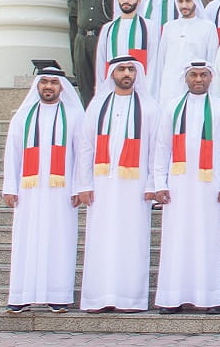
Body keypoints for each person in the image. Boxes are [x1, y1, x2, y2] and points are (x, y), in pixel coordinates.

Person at [2, 66, 91, 314]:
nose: (49, 86)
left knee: (60, 240)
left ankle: (58, 295)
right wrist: (10, 187)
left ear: (61, 86)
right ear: (38, 86)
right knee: (25, 241)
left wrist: (80, 186)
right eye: (44, 82)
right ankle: (21, 295)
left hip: (62, 192)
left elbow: (81, 154)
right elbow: (13, 154)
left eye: (54, 82)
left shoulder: (75, 116)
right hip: (28, 191)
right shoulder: (22, 116)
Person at [153, 60, 220, 314]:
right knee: (175, 241)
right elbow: (162, 148)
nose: (198, 79)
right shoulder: (172, 108)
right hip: (177, 186)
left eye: (203, 75)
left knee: (208, 240)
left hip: (211, 187)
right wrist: (159, 182)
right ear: (186, 78)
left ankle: (208, 299)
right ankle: (171, 298)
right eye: (193, 75)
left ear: (211, 79)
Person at [80, 56, 154, 313]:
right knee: (101, 240)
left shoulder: (149, 107)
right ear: (112, 73)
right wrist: (84, 184)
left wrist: (153, 184)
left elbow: (157, 150)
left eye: (130, 69)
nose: (126, 73)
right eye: (121, 69)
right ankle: (97, 298)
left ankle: (130, 298)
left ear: (137, 74)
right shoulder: (97, 106)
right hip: (101, 185)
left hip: (136, 187)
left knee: (132, 240)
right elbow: (86, 147)